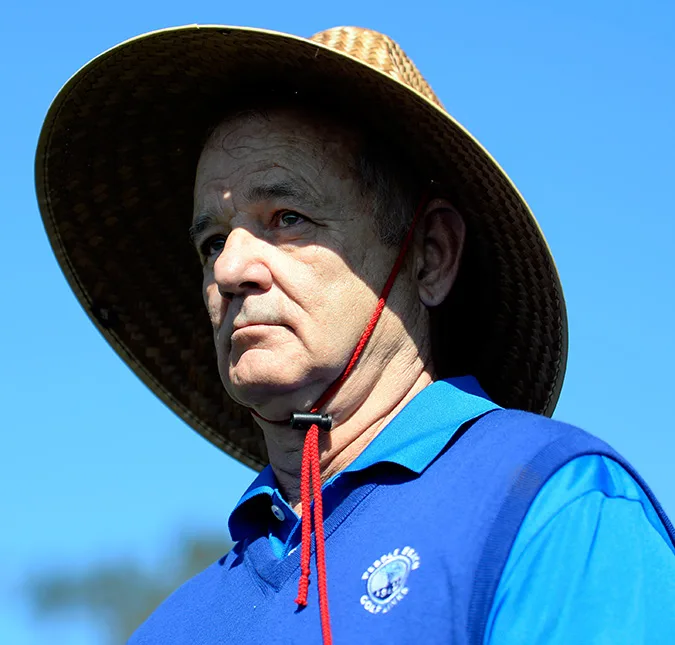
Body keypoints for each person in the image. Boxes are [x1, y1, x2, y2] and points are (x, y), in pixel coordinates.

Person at [36, 25, 675, 645]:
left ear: (430, 255)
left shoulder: (548, 509)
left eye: (287, 218)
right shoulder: (172, 628)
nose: (229, 270)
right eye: (212, 242)